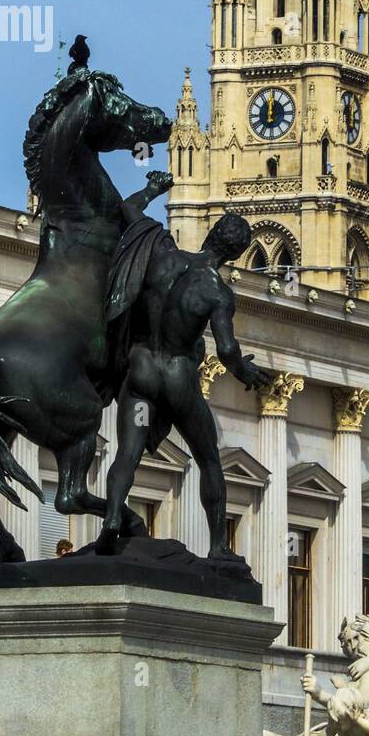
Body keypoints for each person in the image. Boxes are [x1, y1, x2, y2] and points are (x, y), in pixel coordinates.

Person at [98, 174, 271, 558]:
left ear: (210, 234)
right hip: (177, 379)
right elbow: (226, 349)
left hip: (141, 370)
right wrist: (244, 371)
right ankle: (217, 547)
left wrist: (153, 190)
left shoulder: (163, 253)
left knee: (128, 451)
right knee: (208, 457)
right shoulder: (218, 293)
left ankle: (112, 517)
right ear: (236, 253)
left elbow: (127, 209)